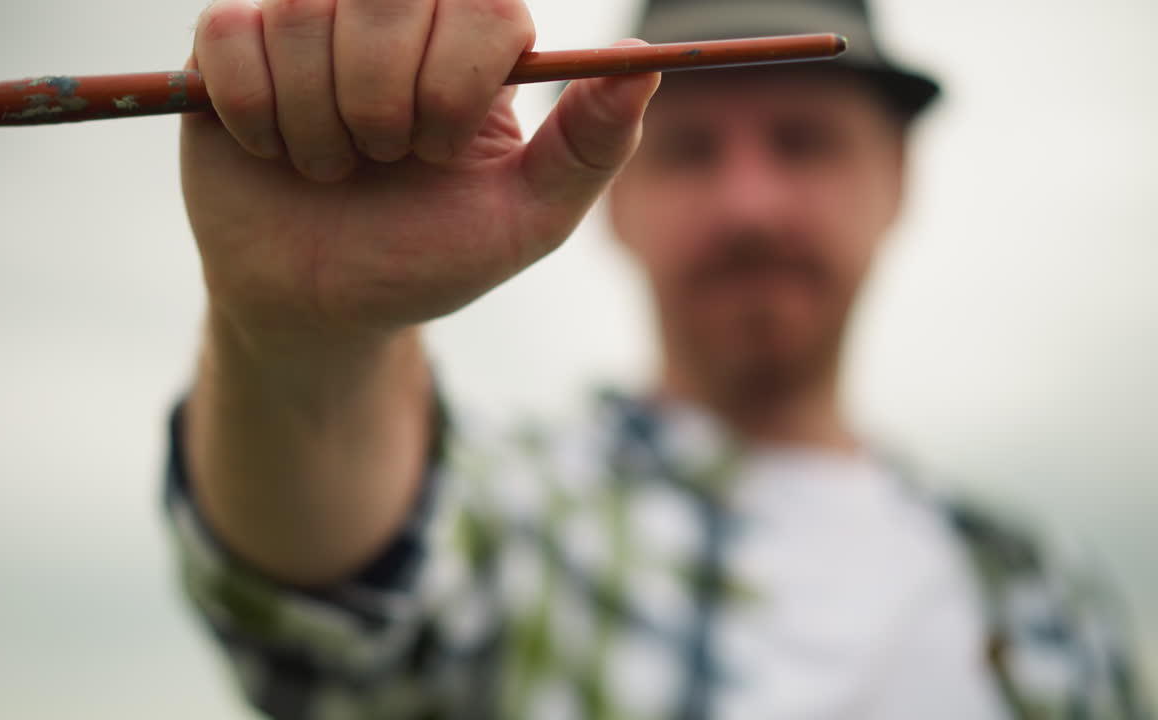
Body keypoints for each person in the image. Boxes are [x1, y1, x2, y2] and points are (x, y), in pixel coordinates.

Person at [163, 0, 1151, 717]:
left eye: (802, 142)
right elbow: (329, 616)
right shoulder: (526, 517)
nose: (748, 205)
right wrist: (308, 339)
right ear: (615, 194)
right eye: (689, 151)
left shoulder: (1047, 593)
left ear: (893, 177)